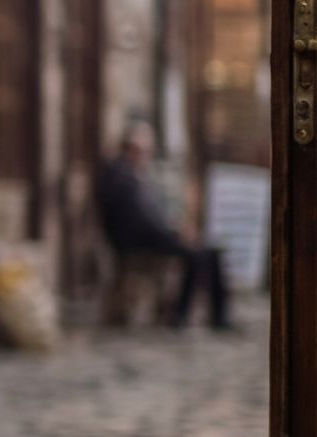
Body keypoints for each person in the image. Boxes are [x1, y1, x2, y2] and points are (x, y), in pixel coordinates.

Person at [97, 117, 235, 331]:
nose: (147, 156)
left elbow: (150, 215)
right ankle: (182, 314)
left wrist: (174, 229)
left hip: (151, 237)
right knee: (197, 254)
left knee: (210, 251)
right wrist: (174, 232)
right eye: (145, 151)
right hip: (139, 242)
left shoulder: (129, 174)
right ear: (133, 148)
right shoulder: (123, 178)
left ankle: (217, 316)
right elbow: (142, 221)